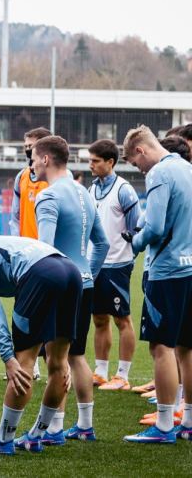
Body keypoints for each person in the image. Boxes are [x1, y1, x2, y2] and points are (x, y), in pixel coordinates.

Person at [0, 236, 81, 454]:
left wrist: (8, 357)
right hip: (70, 270)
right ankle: (36, 436)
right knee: (60, 363)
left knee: (24, 363)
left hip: (41, 271)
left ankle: (3, 440)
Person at [31, 135, 109, 442]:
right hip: (84, 283)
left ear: (47, 159)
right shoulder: (84, 192)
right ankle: (86, 426)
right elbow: (101, 242)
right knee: (76, 355)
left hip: (60, 285)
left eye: (34, 158)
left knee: (56, 357)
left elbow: (45, 250)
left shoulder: (48, 196)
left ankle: (54, 428)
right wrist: (88, 273)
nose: (32, 164)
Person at [121, 125, 192, 443]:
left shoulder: (160, 173)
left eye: (137, 165)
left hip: (166, 272)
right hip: (190, 267)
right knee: (187, 348)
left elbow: (157, 227)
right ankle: (188, 421)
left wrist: (135, 242)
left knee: (161, 347)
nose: (140, 170)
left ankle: (164, 426)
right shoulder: (187, 168)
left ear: (140, 151)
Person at [86, 139, 141, 391]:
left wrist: (128, 259)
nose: (90, 165)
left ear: (110, 162)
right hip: (93, 265)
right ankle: (100, 372)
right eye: (90, 160)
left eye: (95, 161)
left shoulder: (124, 190)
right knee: (99, 318)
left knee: (122, 319)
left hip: (117, 264)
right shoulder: (90, 190)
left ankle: (123, 375)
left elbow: (136, 231)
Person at [10, 127, 53, 239]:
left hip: (48, 249)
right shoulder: (21, 176)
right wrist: (18, 242)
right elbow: (15, 216)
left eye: (31, 146)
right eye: (26, 146)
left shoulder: (58, 177)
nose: (28, 150)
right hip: (26, 248)